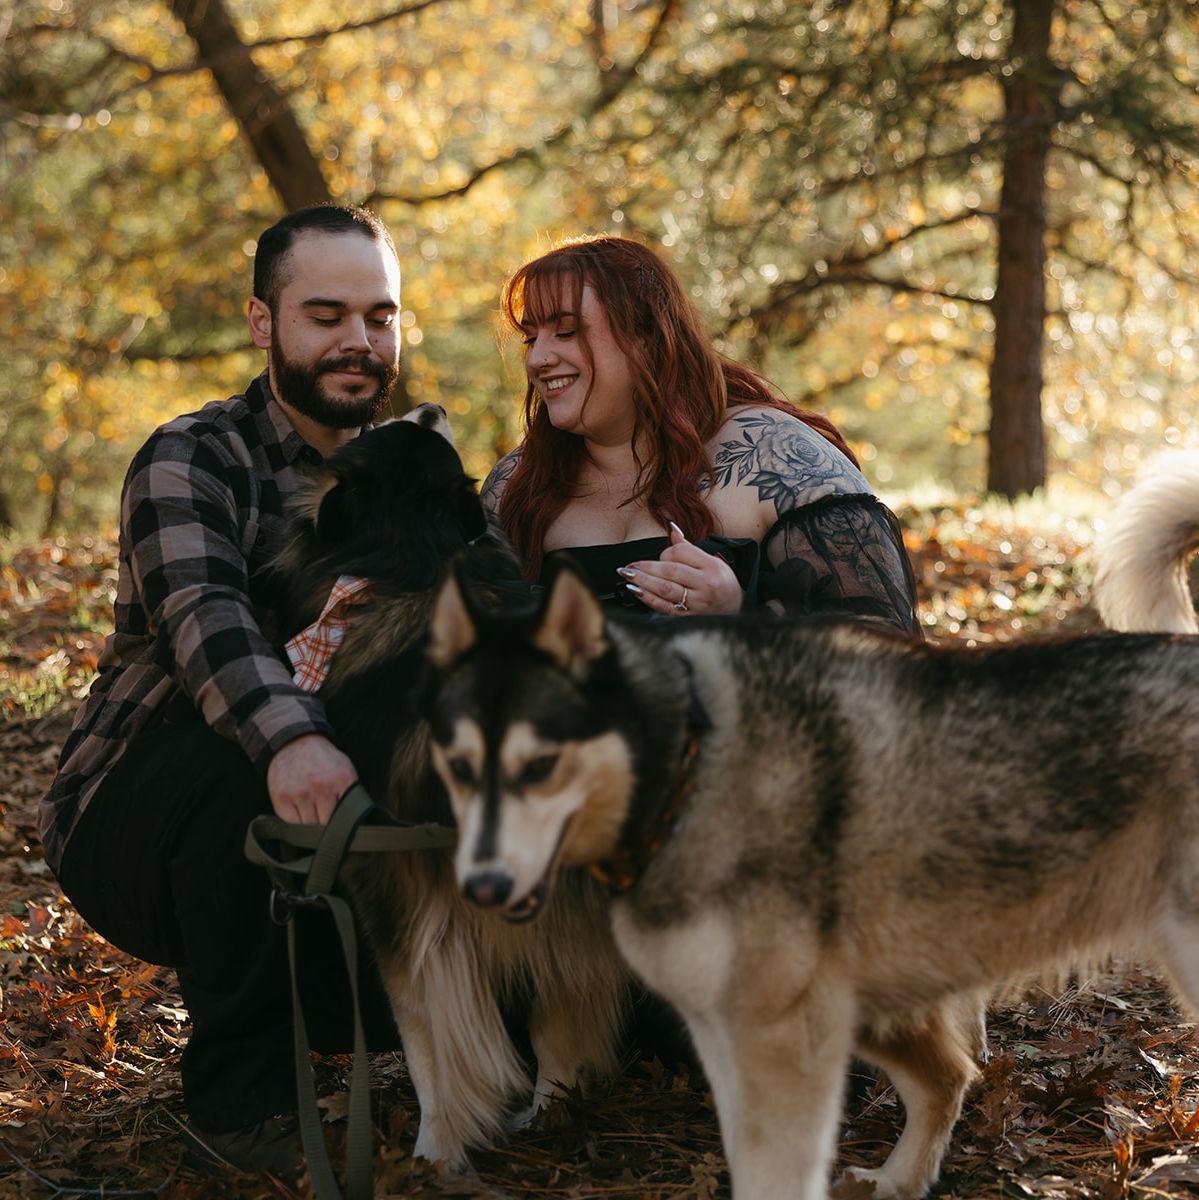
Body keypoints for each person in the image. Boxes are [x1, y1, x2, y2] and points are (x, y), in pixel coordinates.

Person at [38, 204, 406, 1176]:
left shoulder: (411, 475)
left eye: (379, 316)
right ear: (261, 322)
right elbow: (206, 614)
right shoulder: (193, 457)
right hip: (141, 801)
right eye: (326, 315)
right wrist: (289, 737)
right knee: (240, 767)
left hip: (335, 807)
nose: (358, 342)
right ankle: (238, 1109)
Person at [482, 235, 920, 632]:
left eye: (566, 331)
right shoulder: (514, 484)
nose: (538, 359)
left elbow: (883, 657)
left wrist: (737, 617)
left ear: (648, 337)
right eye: (529, 338)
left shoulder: (778, 456)